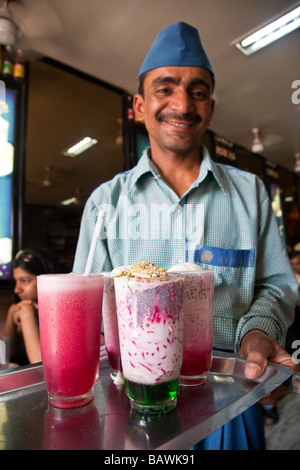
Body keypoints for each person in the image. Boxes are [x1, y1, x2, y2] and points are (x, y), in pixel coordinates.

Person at [73, 22, 299, 449]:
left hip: (229, 405)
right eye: (165, 88)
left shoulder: (250, 193)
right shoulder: (107, 203)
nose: (182, 103)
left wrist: (258, 332)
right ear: (139, 105)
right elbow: (85, 305)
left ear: (210, 107)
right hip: (130, 414)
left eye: (197, 91)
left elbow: (275, 284)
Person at [3, 247, 69, 365]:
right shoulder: (29, 307)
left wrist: (26, 313)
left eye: (25, 281)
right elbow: (4, 356)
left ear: (47, 278)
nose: (17, 290)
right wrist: (12, 312)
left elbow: (40, 364)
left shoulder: (64, 312)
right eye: (16, 282)